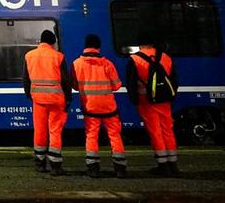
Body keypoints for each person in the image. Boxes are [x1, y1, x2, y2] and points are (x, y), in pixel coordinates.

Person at [72, 34, 127, 178]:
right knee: (114, 135)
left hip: (90, 107)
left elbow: (75, 86)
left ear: (85, 46)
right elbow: (116, 86)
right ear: (98, 47)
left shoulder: (77, 64)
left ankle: (93, 168)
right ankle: (120, 168)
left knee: (91, 136)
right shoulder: (107, 64)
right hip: (109, 107)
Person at [126, 33, 180, 176]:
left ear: (141, 44)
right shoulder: (166, 57)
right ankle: (173, 164)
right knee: (168, 130)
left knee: (155, 131)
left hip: (147, 102)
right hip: (165, 100)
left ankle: (162, 165)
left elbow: (131, 83)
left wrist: (134, 99)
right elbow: (174, 80)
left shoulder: (135, 59)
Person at [23, 30, 73, 175]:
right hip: (56, 100)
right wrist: (68, 98)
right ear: (53, 42)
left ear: (41, 41)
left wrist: (30, 95)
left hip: (38, 100)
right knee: (55, 131)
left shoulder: (29, 56)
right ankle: (56, 165)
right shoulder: (58, 56)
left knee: (40, 130)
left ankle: (40, 163)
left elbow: (25, 79)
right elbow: (66, 80)